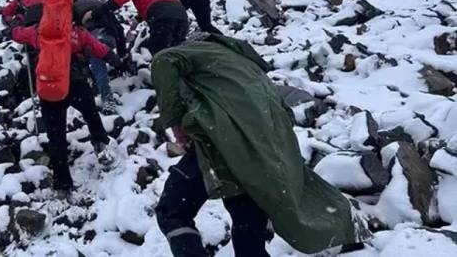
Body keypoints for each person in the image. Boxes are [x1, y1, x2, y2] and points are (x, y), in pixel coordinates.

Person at [151, 33, 367, 257]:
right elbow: (285, 113)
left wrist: (175, 122)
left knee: (172, 211)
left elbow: (164, 60)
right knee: (248, 227)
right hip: (263, 157)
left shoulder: (201, 52)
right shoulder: (248, 68)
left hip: (222, 143)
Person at [9, 18, 124, 194]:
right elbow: (99, 48)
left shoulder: (37, 31)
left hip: (49, 87)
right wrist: (118, 61)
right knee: (91, 115)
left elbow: (17, 35)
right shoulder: (76, 31)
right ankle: (102, 148)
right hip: (76, 82)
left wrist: (15, 26)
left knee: (56, 135)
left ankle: (63, 183)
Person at [74, 0, 127, 114]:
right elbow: (119, 28)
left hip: (93, 37)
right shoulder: (102, 5)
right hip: (109, 35)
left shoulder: (74, 8)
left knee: (97, 65)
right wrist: (122, 55)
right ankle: (98, 90)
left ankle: (107, 99)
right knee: (97, 62)